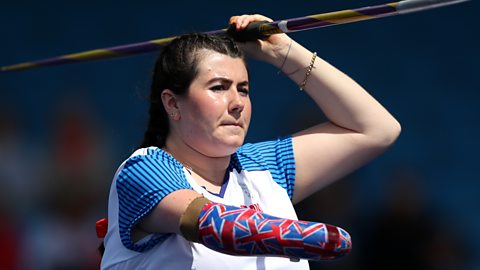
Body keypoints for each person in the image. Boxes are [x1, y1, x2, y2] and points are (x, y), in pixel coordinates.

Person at [99, 14, 401, 269]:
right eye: (218, 87)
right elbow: (215, 226)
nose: (237, 103)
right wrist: (301, 236)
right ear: (173, 104)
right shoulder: (144, 169)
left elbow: (377, 129)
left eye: (243, 89)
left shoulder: (264, 167)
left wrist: (284, 52)